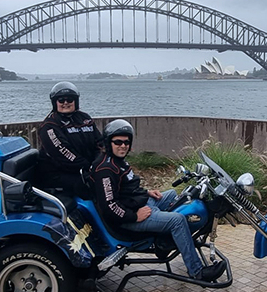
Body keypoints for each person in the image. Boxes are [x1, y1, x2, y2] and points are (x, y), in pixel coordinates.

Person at [90, 119, 226, 282]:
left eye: (126, 142)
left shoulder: (117, 162)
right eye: (118, 142)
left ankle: (166, 242)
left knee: (171, 194)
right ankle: (197, 271)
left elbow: (125, 189)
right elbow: (109, 206)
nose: (123, 145)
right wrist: (135, 217)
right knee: (177, 220)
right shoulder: (105, 169)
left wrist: (147, 192)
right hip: (126, 218)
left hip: (140, 204)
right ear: (108, 142)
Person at [35, 81, 102, 199]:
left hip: (87, 168)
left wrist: (98, 163)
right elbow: (63, 153)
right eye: (61, 100)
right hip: (59, 174)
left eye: (70, 99)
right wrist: (88, 168)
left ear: (75, 101)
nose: (65, 103)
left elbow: (100, 142)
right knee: (95, 188)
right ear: (55, 103)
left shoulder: (85, 118)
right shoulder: (49, 125)